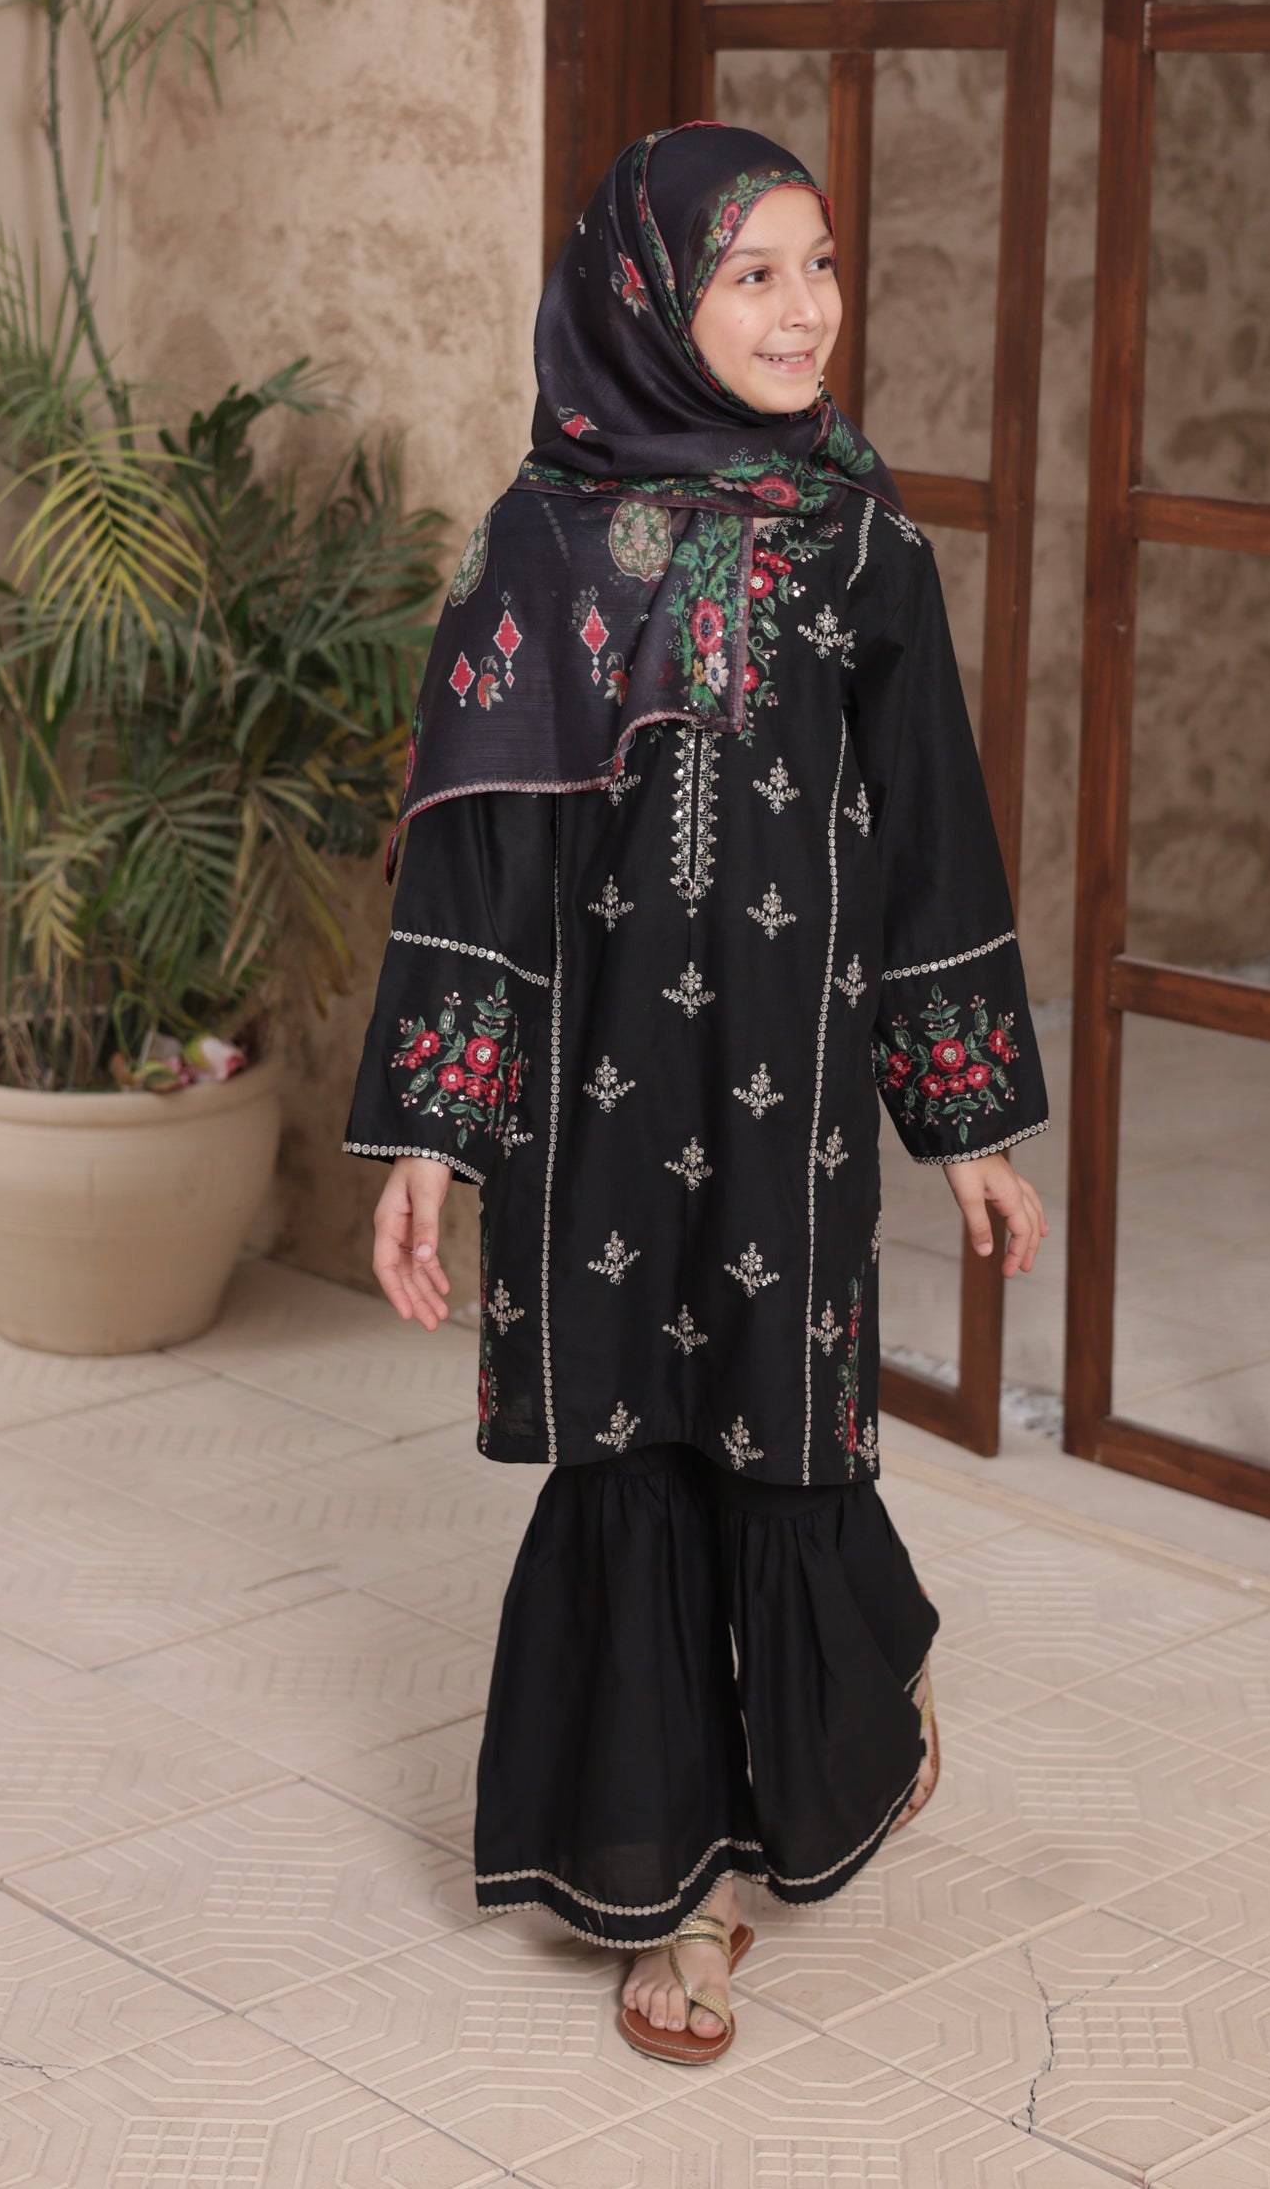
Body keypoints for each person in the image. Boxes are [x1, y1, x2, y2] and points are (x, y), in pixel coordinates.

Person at [345, 122, 1049, 2065]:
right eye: (754, 271)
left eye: (818, 265)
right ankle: (675, 1892)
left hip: (791, 1086)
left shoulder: (854, 526)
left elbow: (931, 831)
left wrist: (966, 1108)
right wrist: (424, 1127)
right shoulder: (547, 536)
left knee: (782, 1434)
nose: (803, 305)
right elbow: (474, 849)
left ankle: (818, 1759)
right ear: (652, 290)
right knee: (628, 1442)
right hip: (588, 1102)